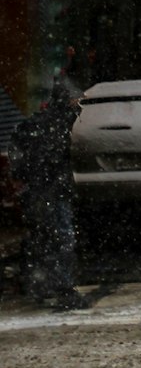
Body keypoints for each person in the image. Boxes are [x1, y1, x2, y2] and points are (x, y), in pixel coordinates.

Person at [9, 80, 89, 311]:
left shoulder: (38, 124)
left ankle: (40, 284)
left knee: (43, 238)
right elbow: (50, 159)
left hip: (39, 189)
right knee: (61, 239)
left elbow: (21, 159)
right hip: (51, 190)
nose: (78, 106)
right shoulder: (58, 123)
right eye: (75, 101)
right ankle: (62, 289)